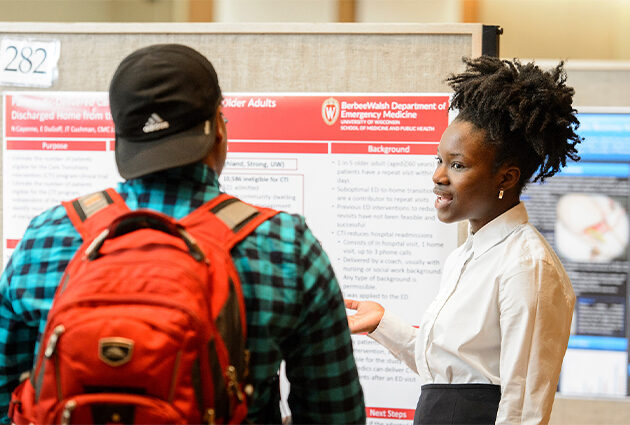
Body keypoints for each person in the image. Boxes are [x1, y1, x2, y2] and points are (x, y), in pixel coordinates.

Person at [0, 43, 365, 425]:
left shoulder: (47, 237)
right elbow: (336, 414)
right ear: (218, 128)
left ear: (120, 140)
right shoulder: (287, 246)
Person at [346, 56, 581, 425]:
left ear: (506, 178)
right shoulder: (465, 257)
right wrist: (383, 324)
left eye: (457, 165)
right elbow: (450, 374)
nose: (438, 176)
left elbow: (523, 408)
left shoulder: (527, 266)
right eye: (438, 160)